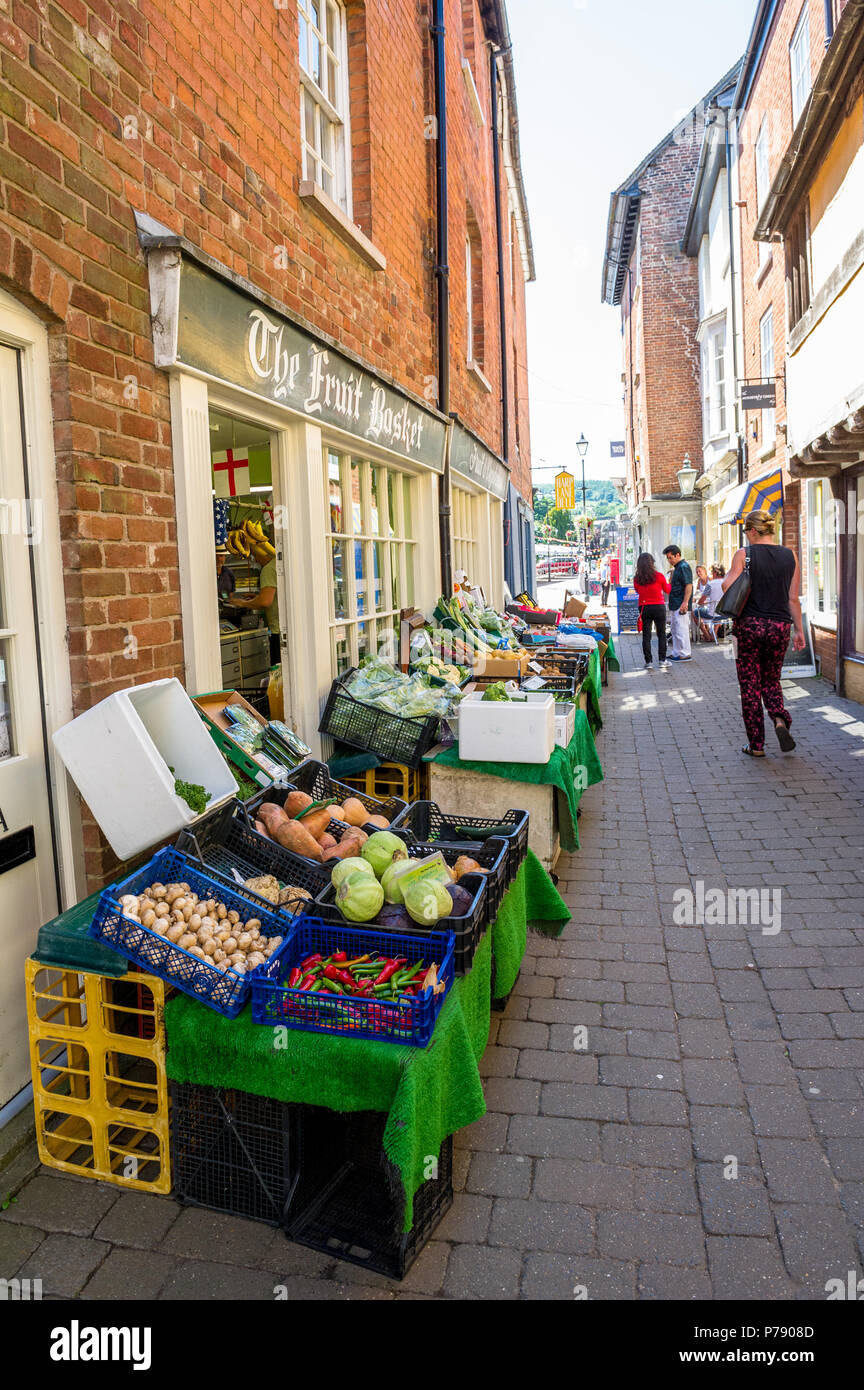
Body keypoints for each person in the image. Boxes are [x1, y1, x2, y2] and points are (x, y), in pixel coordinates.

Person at [722, 509, 805, 757]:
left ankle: (756, 745)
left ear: (753, 531)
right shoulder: (790, 555)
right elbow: (793, 597)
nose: (746, 536)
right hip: (780, 626)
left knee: (750, 685)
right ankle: (779, 718)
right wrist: (799, 630)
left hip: (749, 625)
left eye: (746, 531)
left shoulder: (744, 554)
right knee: (771, 680)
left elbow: (727, 585)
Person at [227, 539, 280, 663]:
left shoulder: (268, 569)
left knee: (278, 674)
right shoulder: (278, 564)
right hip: (288, 629)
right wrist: (257, 596)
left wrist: (243, 603)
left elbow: (265, 602)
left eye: (255, 556)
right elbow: (273, 595)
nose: (255, 560)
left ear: (262, 553)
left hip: (278, 631)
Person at [632, 551, 671, 670]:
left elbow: (638, 592)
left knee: (646, 635)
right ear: (652, 563)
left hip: (644, 607)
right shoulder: (659, 576)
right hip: (658, 606)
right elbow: (667, 590)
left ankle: (648, 662)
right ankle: (662, 660)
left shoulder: (637, 579)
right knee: (661, 634)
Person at [662, 544, 693, 660]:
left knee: (681, 629)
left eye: (671, 557)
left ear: (678, 555)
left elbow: (688, 585)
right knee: (675, 629)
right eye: (668, 558)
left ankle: (684, 653)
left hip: (680, 603)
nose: (669, 560)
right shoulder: (677, 567)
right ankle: (677, 652)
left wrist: (685, 602)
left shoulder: (683, 567)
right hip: (676, 603)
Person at [693, 564, 726, 640]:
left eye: (712, 572)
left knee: (694, 613)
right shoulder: (727, 582)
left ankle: (706, 635)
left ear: (715, 572)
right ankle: (714, 634)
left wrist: (704, 602)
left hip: (713, 613)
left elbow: (700, 602)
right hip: (726, 613)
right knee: (717, 609)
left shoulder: (710, 584)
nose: (711, 574)